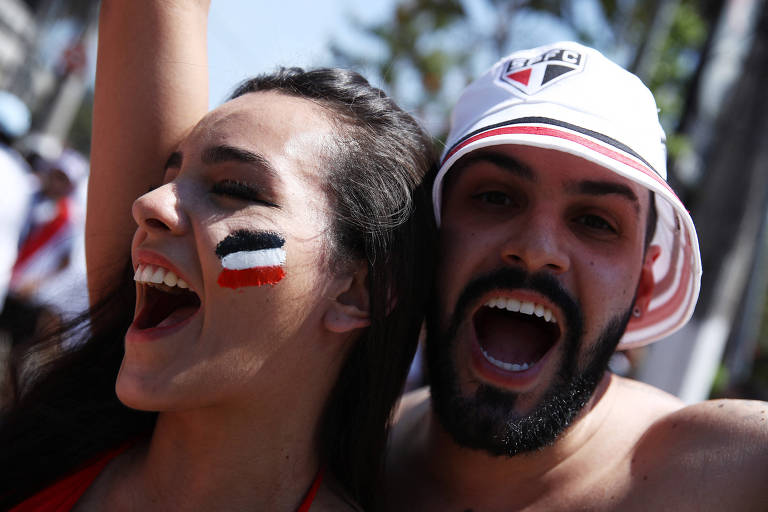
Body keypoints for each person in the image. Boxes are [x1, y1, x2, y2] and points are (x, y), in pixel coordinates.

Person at [0, 2, 436, 511]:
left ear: (359, 291)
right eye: (167, 178)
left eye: (233, 189)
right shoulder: (38, 460)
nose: (146, 205)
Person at [386, 41, 768, 511]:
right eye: (495, 196)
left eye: (595, 221)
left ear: (643, 288)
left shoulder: (737, 475)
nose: (535, 250)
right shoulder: (345, 451)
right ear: (433, 238)